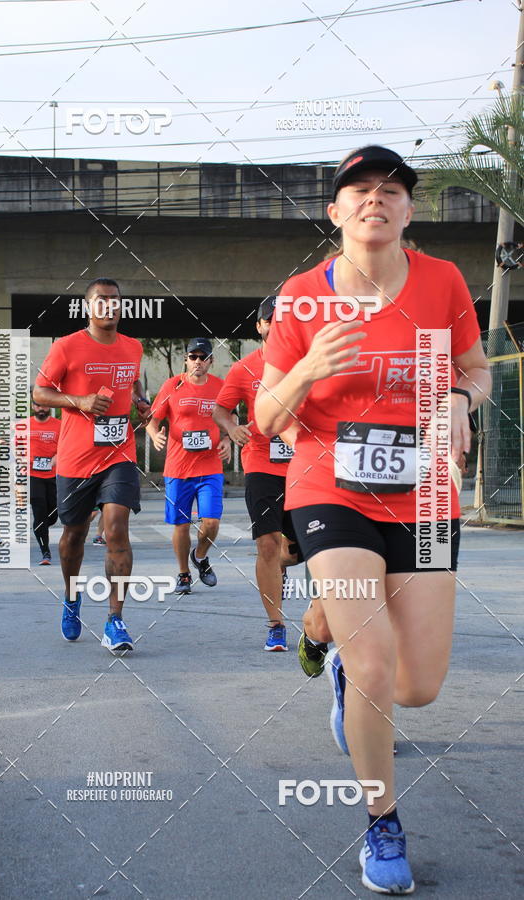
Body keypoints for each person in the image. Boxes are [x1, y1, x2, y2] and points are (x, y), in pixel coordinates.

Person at [255, 145, 491, 895]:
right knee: (377, 667)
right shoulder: (301, 297)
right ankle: (381, 822)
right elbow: (264, 415)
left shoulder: (444, 282)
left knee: (417, 687)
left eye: (392, 189)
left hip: (423, 494)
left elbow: (477, 369)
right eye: (358, 190)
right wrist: (307, 368)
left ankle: (331, 646)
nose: (375, 199)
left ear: (409, 210)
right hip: (331, 486)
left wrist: (457, 397)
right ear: (336, 212)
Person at [33, 277, 150, 651]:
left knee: (116, 528)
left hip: (119, 454)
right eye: (102, 300)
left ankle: (116, 621)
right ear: (89, 307)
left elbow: (132, 386)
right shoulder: (67, 347)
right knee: (73, 537)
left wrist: (142, 403)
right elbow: (39, 392)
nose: (110, 306)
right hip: (76, 459)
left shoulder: (134, 347)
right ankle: (71, 596)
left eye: (116, 300)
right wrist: (79, 402)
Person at [213, 296, 302, 652]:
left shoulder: (305, 364)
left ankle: (282, 564)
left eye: (284, 319)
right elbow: (221, 409)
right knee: (266, 543)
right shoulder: (244, 368)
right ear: (260, 326)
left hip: (303, 465)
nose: (277, 325)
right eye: (271, 320)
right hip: (261, 464)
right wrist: (231, 429)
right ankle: (276, 624)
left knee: (293, 552)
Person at [146, 338, 231, 594]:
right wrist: (153, 435)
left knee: (212, 523)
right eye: (193, 357)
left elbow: (231, 416)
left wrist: (227, 438)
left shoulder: (220, 386)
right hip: (179, 469)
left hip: (210, 467)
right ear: (186, 359)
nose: (197, 362)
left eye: (202, 357)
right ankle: (183, 574)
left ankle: (201, 556)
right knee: (181, 525)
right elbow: (153, 418)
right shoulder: (173, 385)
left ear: (210, 361)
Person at [27, 395, 61, 565]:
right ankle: (45, 553)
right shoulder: (23, 426)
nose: (41, 408)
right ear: (33, 406)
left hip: (53, 476)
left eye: (44, 405)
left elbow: (64, 447)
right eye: (38, 405)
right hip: (32, 477)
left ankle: (40, 527)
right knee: (40, 512)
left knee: (53, 515)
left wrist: (53, 461)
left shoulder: (58, 425)